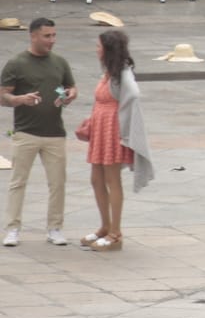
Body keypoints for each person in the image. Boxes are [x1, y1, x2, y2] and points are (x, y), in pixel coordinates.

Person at [2, 18, 78, 247]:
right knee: (18, 182)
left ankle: (55, 228)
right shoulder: (16, 63)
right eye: (47, 36)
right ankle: (12, 228)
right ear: (33, 36)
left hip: (55, 132)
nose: (51, 41)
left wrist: (71, 94)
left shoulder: (60, 62)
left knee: (57, 183)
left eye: (54, 36)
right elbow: (2, 95)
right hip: (26, 132)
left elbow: (70, 87)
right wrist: (19, 99)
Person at [77, 29, 154, 252]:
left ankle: (115, 233)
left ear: (108, 49)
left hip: (112, 130)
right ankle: (104, 226)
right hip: (100, 129)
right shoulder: (109, 73)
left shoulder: (122, 73)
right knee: (96, 179)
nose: (96, 49)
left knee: (112, 180)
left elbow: (133, 95)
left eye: (99, 46)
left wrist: (120, 122)